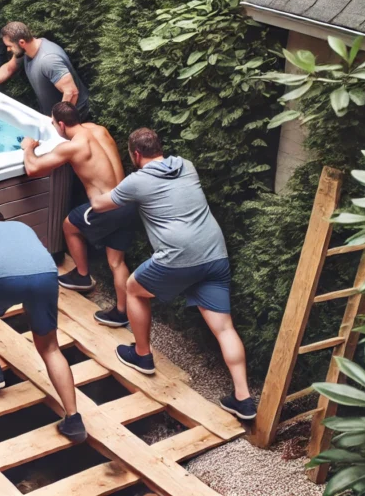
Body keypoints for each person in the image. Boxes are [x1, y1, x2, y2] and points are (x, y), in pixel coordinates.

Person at [89, 128, 256, 420]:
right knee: (225, 328)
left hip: (178, 257)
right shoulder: (186, 165)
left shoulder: (138, 180)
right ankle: (243, 398)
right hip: (214, 254)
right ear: (160, 148)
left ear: (136, 154)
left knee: (133, 288)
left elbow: (99, 205)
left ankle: (142, 354)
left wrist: (90, 179)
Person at [0, 210, 88, 442]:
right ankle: (73, 418)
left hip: (4, 276)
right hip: (47, 274)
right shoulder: (22, 227)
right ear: (3, 222)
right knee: (51, 348)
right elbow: (29, 262)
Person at [20, 102, 136, 320]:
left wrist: (29, 148)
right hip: (127, 201)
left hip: (106, 207)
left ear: (62, 124)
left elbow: (33, 169)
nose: (54, 128)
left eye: (54, 124)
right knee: (116, 262)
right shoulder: (98, 130)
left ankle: (82, 276)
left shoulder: (74, 146)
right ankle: (123, 312)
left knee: (69, 226)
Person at [0, 22, 90, 120]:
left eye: (9, 46)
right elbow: (9, 67)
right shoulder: (27, 50)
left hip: (74, 115)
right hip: (51, 115)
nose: (8, 49)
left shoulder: (48, 60)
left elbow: (71, 92)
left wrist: (57, 120)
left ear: (21, 42)